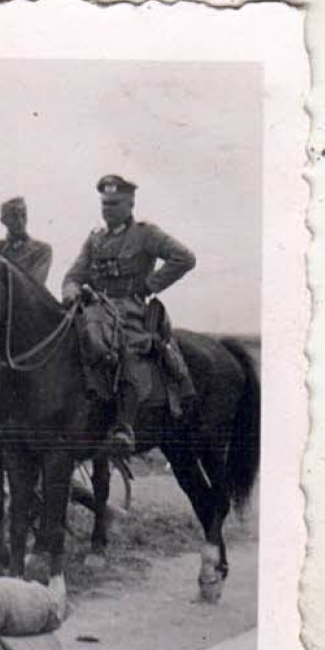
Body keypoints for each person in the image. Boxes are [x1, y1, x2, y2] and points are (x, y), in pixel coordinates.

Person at [61, 175, 197, 454]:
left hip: (130, 310)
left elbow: (184, 258)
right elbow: (74, 274)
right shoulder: (95, 239)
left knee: (124, 346)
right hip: (94, 309)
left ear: (130, 203)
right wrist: (71, 291)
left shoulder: (146, 234)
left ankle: (124, 426)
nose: (107, 209)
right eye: (104, 203)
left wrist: (148, 285)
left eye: (114, 203)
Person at [0, 196, 54, 290]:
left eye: (23, 215)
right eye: (14, 217)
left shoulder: (41, 250)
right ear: (3, 221)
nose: (20, 222)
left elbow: (32, 287)